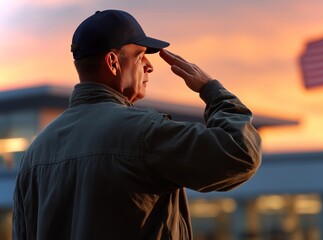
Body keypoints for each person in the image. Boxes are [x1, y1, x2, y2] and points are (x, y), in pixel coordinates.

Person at [13, 9, 261, 240]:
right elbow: (240, 153)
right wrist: (213, 91)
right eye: (140, 55)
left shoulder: (35, 154)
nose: (150, 66)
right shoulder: (142, 133)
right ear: (113, 62)